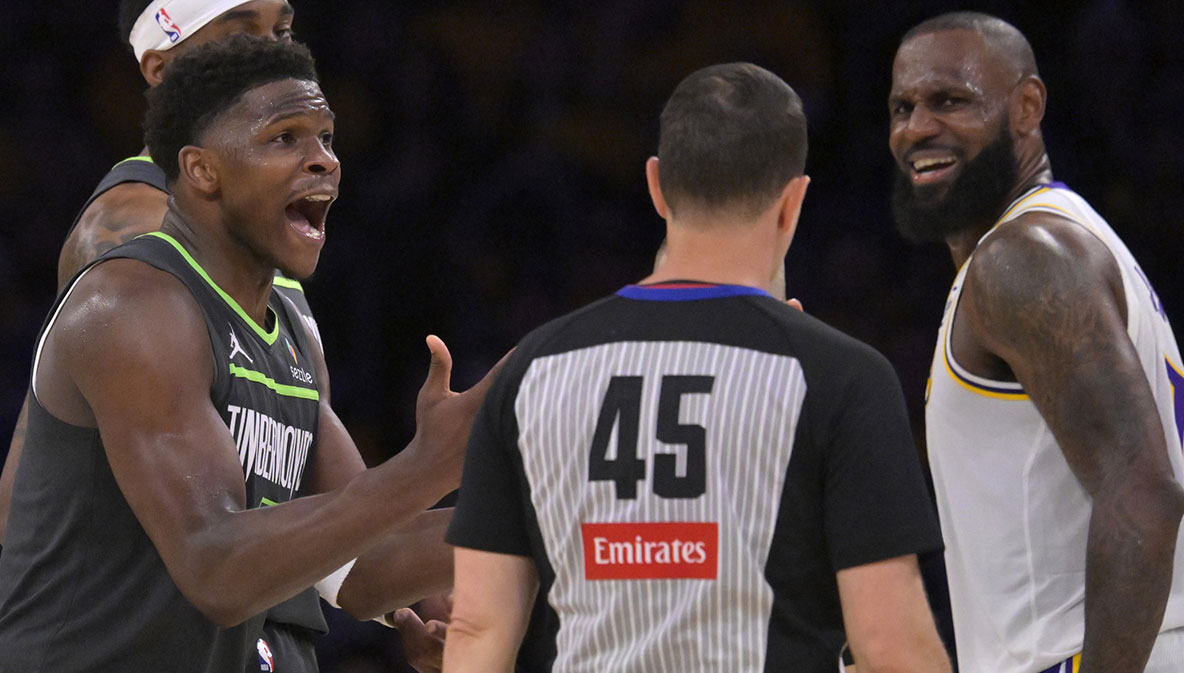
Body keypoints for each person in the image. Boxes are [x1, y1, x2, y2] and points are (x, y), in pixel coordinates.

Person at [442, 62, 951, 673]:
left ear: (657, 186)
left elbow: (475, 629)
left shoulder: (532, 369)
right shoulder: (842, 377)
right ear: (793, 201)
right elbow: (891, 648)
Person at [0, 36, 488, 672]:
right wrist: (432, 464)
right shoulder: (132, 303)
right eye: (285, 138)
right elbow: (216, 569)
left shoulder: (288, 328)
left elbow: (362, 563)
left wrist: (544, 511)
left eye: (327, 138)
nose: (324, 162)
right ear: (202, 170)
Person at [888, 11, 1184, 673]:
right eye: (903, 106)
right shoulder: (1061, 241)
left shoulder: (1023, 259)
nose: (916, 127)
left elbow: (1146, 497)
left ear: (1028, 106)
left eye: (950, 100)